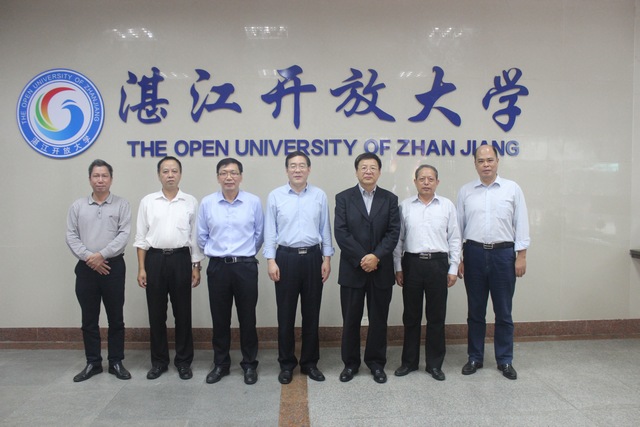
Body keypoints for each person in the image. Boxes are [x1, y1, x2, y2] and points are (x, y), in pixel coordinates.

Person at [457, 145, 530, 380]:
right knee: (475, 311)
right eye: (481, 161)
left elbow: (521, 223)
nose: (486, 164)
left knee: (504, 311)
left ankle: (505, 360)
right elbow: (458, 228)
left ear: (497, 161)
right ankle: (475, 357)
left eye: (490, 160)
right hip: (474, 253)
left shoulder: (512, 189)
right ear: (475, 164)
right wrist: (458, 258)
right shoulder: (466, 191)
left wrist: (521, 255)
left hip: (503, 255)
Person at [264, 151, 335, 385]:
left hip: (313, 257)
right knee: (285, 315)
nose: (297, 169)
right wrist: (271, 260)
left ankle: (310, 363)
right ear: (286, 170)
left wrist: (327, 258)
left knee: (311, 314)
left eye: (302, 165)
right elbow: (270, 230)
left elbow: (325, 229)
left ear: (309, 169)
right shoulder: (275, 196)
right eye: (293, 166)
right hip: (285, 258)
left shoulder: (319, 195)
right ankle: (286, 364)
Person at [134, 156, 204, 380]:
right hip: (154, 259)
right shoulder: (148, 201)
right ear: (159, 175)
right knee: (156, 314)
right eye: (165, 171)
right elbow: (141, 238)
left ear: (180, 174)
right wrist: (141, 268)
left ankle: (183, 362)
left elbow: (195, 237)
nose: (170, 175)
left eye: (174, 171)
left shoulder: (190, 201)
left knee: (183, 313)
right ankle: (159, 362)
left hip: (181, 259)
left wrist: (196, 266)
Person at [334, 152, 400, 384]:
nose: (368, 171)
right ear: (356, 172)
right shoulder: (343, 198)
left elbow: (393, 232)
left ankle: (376, 363)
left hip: (381, 269)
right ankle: (350, 364)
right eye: (363, 167)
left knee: (378, 319)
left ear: (379, 172)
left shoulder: (390, 199)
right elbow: (341, 233)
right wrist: (363, 258)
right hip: (352, 269)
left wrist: (376, 257)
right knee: (350, 319)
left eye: (373, 167)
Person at [197, 158, 264, 385]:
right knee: (220, 318)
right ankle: (221, 364)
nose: (229, 177)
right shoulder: (207, 203)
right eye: (224, 173)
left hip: (245, 266)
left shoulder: (253, 202)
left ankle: (249, 364)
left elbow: (259, 235)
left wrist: (244, 254)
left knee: (248, 318)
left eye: (234, 173)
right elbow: (201, 236)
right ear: (218, 177)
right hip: (218, 267)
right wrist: (216, 253)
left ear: (241, 176)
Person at [393, 164, 461, 381]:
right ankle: (409, 362)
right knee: (411, 316)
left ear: (437, 182)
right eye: (422, 179)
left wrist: (453, 267)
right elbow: (398, 240)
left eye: (430, 179)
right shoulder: (405, 207)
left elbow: (455, 239)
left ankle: (434, 364)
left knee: (436, 317)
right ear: (415, 182)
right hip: (412, 263)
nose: (426, 183)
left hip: (438, 264)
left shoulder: (447, 206)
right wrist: (398, 267)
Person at [66, 159, 132, 382]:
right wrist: (90, 258)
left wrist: (101, 255)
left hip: (113, 267)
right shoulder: (78, 206)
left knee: (116, 318)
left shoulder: (122, 205)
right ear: (90, 179)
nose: (100, 180)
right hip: (86, 268)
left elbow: (124, 235)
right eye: (96, 176)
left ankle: (116, 362)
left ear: (111, 179)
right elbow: (71, 236)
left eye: (104, 176)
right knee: (89, 319)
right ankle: (93, 362)